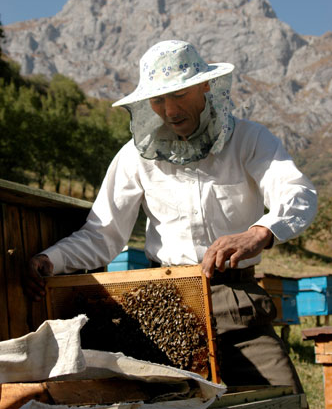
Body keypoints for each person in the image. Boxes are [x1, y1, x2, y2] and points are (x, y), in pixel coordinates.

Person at [27, 39, 317, 394]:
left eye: (178, 95)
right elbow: (102, 234)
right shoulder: (134, 157)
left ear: (204, 86)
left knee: (282, 398)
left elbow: (298, 194)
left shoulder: (250, 139)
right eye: (158, 99)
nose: (169, 109)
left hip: (238, 303)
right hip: (169, 303)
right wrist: (51, 259)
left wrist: (259, 232)